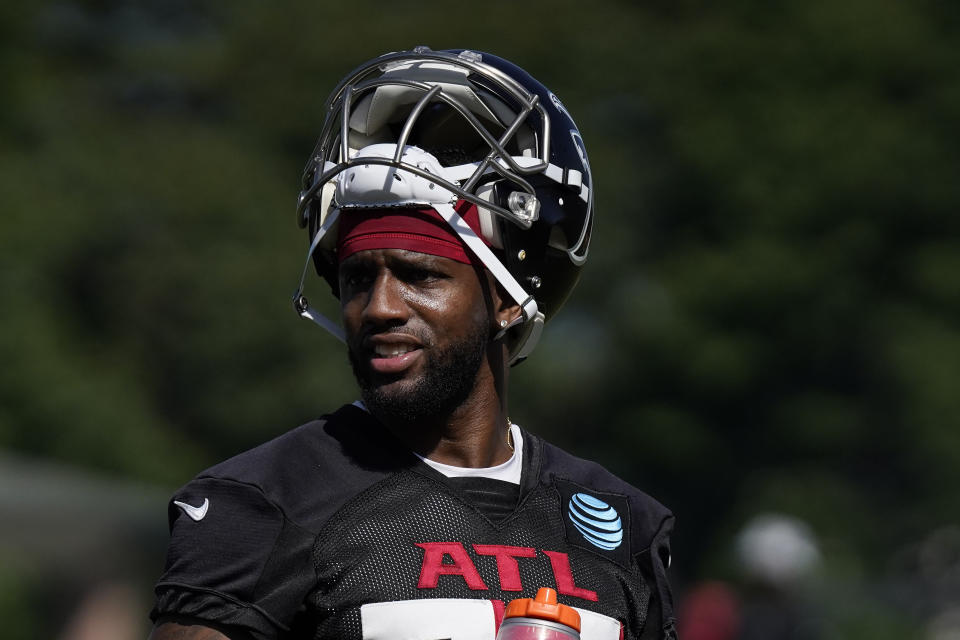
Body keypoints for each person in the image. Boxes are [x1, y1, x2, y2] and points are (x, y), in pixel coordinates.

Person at [148, 46, 676, 640]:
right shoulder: (263, 503)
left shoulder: (623, 523)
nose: (379, 307)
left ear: (505, 301)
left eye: (419, 275)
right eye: (357, 278)